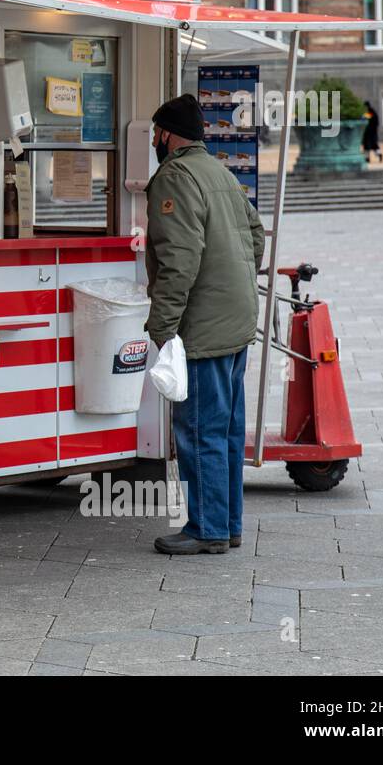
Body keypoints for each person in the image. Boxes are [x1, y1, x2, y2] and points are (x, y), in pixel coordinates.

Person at [145, 94, 265, 555]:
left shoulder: (174, 176)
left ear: (166, 135)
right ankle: (228, 523)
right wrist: (231, 280)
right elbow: (256, 236)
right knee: (228, 430)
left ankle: (208, 529)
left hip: (204, 329)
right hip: (236, 321)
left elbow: (178, 261)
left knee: (199, 431)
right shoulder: (219, 171)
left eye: (157, 133)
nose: (155, 140)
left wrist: (162, 326)